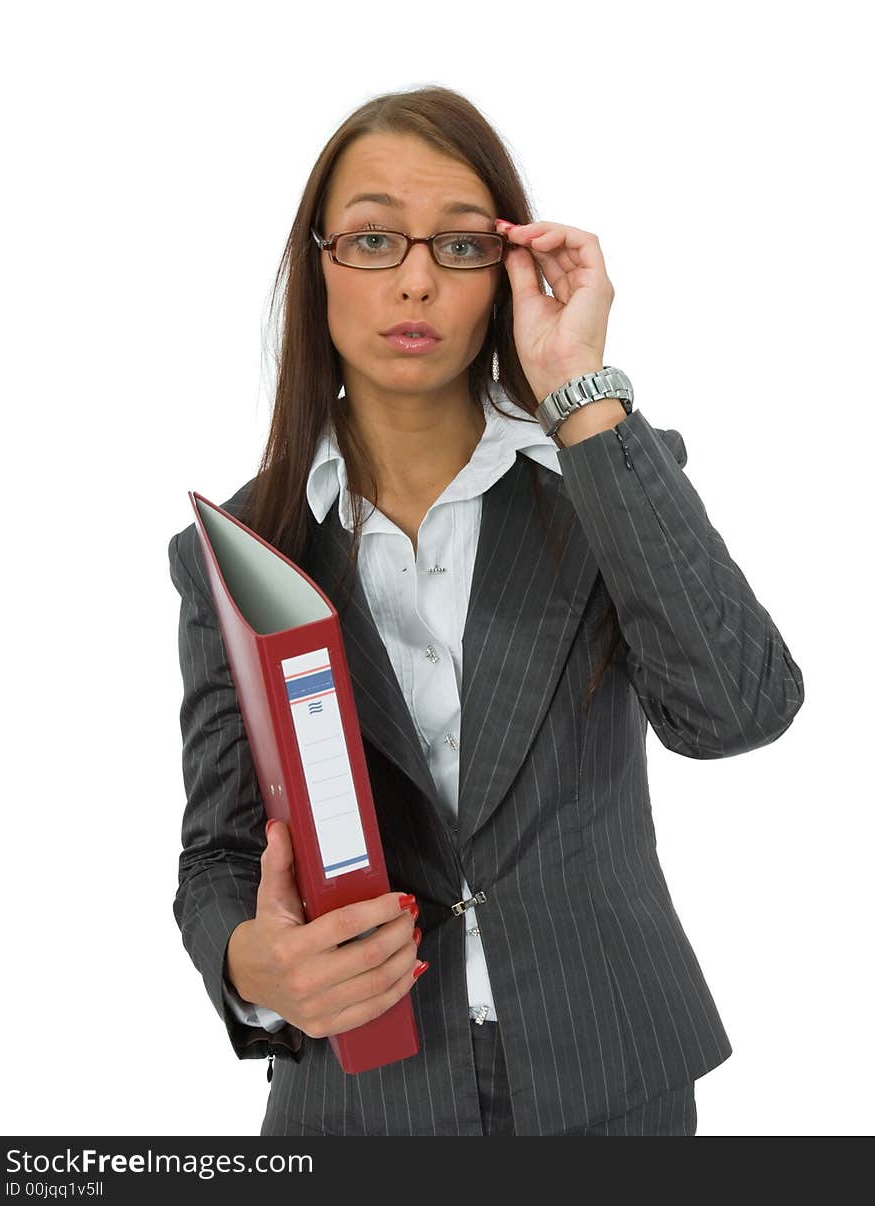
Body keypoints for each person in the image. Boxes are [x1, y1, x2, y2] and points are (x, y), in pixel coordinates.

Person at [167, 86, 804, 1137]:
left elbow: (736, 712)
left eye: (459, 247)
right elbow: (220, 856)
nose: (415, 280)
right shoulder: (242, 550)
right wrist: (251, 962)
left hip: (613, 1075)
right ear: (317, 264)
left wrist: (579, 388)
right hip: (359, 1097)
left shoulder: (596, 474)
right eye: (372, 239)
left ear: (507, 271)